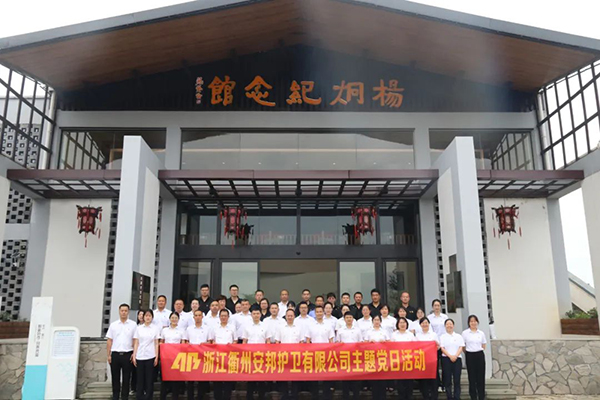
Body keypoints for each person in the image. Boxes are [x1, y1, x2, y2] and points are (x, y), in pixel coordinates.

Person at [106, 303, 136, 400]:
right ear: (119, 311)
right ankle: (115, 396)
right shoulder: (113, 325)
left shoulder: (133, 325)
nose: (124, 312)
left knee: (126, 378)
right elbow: (109, 340)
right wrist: (108, 355)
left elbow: (135, 340)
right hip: (115, 354)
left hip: (128, 354)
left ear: (128, 312)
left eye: (125, 311)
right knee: (115, 377)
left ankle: (124, 397)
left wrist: (134, 354)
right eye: (122, 311)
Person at [305, 305, 335, 400]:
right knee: (314, 377)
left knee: (327, 377)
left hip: (326, 355)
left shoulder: (328, 325)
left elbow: (331, 340)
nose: (319, 313)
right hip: (314, 355)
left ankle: (327, 397)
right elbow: (308, 340)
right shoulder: (311, 325)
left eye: (320, 312)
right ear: (315, 313)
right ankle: (315, 396)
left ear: (323, 313)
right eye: (317, 312)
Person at [184, 310, 214, 400]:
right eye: (196, 315)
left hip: (203, 356)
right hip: (191, 356)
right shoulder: (189, 329)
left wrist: (204, 344)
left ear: (202, 317)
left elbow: (210, 342)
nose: (197, 317)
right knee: (190, 380)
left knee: (202, 379)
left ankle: (200, 397)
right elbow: (185, 342)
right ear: (193, 317)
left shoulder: (207, 328)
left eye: (199, 315)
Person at [243, 306, 269, 400]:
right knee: (251, 379)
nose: (256, 315)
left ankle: (262, 396)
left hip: (262, 356)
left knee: (262, 379)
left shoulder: (265, 326)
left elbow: (268, 341)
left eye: (257, 313)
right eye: (254, 314)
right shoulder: (247, 327)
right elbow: (244, 341)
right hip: (250, 356)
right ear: (251, 315)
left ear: (260, 314)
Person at [276, 309, 302, 399]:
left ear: (294, 316)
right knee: (284, 376)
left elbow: (301, 342)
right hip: (283, 356)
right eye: (288, 316)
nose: (290, 317)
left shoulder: (299, 328)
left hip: (296, 356)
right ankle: (285, 395)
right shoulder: (281, 328)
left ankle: (295, 395)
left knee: (295, 376)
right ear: (285, 317)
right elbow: (277, 342)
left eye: (291, 316)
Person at [133, 309, 159, 400]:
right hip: (140, 356)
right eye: (146, 316)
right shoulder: (139, 328)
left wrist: (156, 356)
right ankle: (139, 397)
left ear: (152, 317)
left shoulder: (155, 328)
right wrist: (134, 355)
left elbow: (156, 343)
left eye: (149, 316)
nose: (148, 317)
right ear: (143, 317)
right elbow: (136, 343)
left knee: (149, 379)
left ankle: (148, 397)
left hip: (150, 356)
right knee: (140, 379)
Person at [336, 312, 362, 400]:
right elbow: (337, 343)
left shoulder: (357, 330)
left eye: (350, 317)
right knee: (345, 380)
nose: (349, 319)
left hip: (355, 357)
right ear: (344, 319)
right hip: (344, 357)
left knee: (356, 380)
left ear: (353, 319)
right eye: (347, 317)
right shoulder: (340, 330)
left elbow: (361, 342)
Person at [159, 312, 185, 400]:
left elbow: (183, 344)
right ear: (169, 319)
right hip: (166, 357)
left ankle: (175, 397)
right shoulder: (164, 330)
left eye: (176, 318)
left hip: (177, 357)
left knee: (175, 379)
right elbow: (162, 342)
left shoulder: (181, 330)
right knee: (164, 378)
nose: (174, 319)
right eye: (172, 318)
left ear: (178, 319)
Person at [364, 315, 389, 399]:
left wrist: (385, 342)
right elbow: (364, 344)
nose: (376, 322)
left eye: (378, 320)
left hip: (382, 358)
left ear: (380, 321)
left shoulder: (384, 331)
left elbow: (390, 344)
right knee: (374, 380)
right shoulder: (368, 332)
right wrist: (369, 343)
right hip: (372, 358)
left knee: (382, 380)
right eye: (375, 320)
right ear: (372, 321)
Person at [213, 309, 236, 400]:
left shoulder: (232, 327)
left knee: (228, 379)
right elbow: (212, 341)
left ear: (228, 317)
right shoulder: (215, 328)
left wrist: (231, 346)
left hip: (229, 356)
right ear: (219, 317)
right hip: (217, 356)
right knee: (217, 379)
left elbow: (235, 340)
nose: (223, 318)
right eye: (222, 316)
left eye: (225, 316)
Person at [462, 315, 486, 400]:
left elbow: (484, 345)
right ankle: (473, 396)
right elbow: (463, 346)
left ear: (477, 322)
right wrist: (468, 352)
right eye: (471, 321)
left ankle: (481, 396)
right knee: (472, 377)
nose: (473, 323)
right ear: (469, 323)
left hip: (479, 355)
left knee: (481, 377)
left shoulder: (481, 333)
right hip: (470, 355)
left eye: (475, 321)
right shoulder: (465, 333)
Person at [416, 317, 440, 400]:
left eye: (426, 323)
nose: (425, 324)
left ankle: (434, 396)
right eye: (423, 323)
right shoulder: (418, 335)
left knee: (434, 379)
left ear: (429, 324)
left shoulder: (433, 334)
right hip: (422, 360)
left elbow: (438, 347)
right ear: (420, 325)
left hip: (432, 360)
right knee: (424, 380)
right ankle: (425, 396)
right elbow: (415, 348)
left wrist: (436, 344)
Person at [391, 317, 415, 400]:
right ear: (397, 324)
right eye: (400, 323)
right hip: (398, 362)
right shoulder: (394, 335)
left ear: (406, 324)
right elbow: (391, 347)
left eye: (404, 322)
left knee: (409, 383)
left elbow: (416, 346)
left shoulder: (410, 335)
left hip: (409, 361)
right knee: (400, 383)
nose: (402, 324)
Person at [440, 319, 465, 400]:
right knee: (447, 379)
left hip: (457, 359)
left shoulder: (458, 336)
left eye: (450, 324)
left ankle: (457, 397)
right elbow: (442, 348)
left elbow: (461, 347)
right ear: (445, 326)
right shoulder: (442, 336)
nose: (449, 326)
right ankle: (449, 396)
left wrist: (455, 356)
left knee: (457, 379)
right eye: (447, 324)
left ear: (453, 325)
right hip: (446, 359)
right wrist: (450, 356)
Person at [428, 299, 448, 391]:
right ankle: (438, 384)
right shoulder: (429, 318)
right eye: (435, 305)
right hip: (434, 344)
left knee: (444, 365)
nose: (436, 307)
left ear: (440, 307)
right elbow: (430, 331)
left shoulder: (444, 317)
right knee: (435, 366)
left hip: (443, 344)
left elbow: (447, 329)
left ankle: (445, 384)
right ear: (432, 307)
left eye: (438, 305)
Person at [130, 310, 145, 394]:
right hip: (136, 351)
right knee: (134, 371)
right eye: (140, 315)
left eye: (143, 314)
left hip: (145, 352)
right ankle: (133, 388)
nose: (141, 316)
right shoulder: (135, 327)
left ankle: (143, 389)